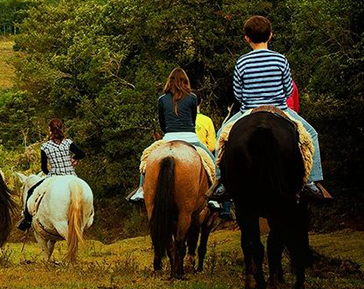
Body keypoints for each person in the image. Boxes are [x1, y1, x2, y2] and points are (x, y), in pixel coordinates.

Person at [212, 16, 326, 200]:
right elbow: (289, 89)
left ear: (247, 38)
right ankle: (312, 181)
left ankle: (221, 182)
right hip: (280, 109)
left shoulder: (241, 62)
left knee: (220, 136)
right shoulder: (280, 59)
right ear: (270, 36)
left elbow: (238, 94)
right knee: (311, 134)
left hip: (249, 111)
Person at [128, 68, 215, 204]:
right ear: (185, 81)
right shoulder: (192, 98)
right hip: (190, 138)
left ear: (170, 81)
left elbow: (162, 123)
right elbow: (193, 119)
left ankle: (141, 189)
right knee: (212, 161)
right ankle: (214, 195)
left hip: (169, 137)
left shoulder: (162, 99)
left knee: (145, 157)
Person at [17, 118, 84, 231]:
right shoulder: (68, 142)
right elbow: (81, 153)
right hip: (72, 175)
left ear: (50, 130)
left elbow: (43, 167)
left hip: (55, 176)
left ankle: (27, 220)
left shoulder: (45, 146)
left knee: (31, 191)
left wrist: (49, 174)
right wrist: (75, 158)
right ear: (61, 129)